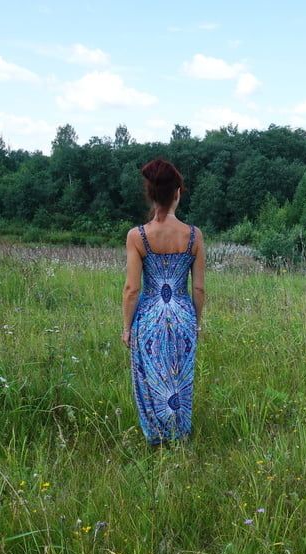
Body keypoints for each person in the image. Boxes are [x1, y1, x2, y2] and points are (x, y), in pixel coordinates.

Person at [121, 158, 205, 446]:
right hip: (183, 313)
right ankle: (180, 435)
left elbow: (132, 288)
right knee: (180, 377)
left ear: (150, 194)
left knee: (150, 376)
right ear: (177, 193)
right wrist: (197, 321)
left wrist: (126, 327)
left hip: (149, 316)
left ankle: (156, 436)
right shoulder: (194, 236)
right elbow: (199, 287)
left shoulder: (137, 236)